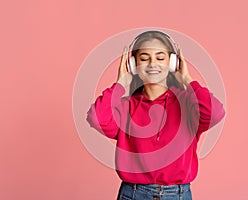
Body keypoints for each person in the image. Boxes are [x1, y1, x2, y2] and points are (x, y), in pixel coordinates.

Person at [86, 30, 226, 200]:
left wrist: (187, 78)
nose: (152, 64)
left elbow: (215, 113)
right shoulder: (126, 107)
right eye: (144, 58)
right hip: (133, 194)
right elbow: (97, 118)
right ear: (132, 65)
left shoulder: (188, 104)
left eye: (160, 58)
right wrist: (121, 83)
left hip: (178, 195)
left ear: (173, 63)